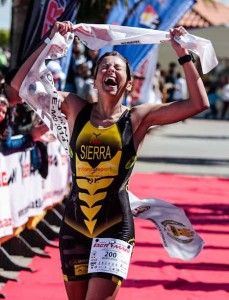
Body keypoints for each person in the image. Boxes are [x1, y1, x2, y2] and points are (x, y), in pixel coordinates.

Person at [9, 21, 209, 300]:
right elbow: (20, 85)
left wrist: (184, 55)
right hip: (74, 225)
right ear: (94, 80)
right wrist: (50, 40)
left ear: (128, 84)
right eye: (104, 66)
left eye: (117, 68)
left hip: (115, 227)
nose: (109, 70)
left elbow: (198, 104)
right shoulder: (74, 108)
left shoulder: (138, 118)